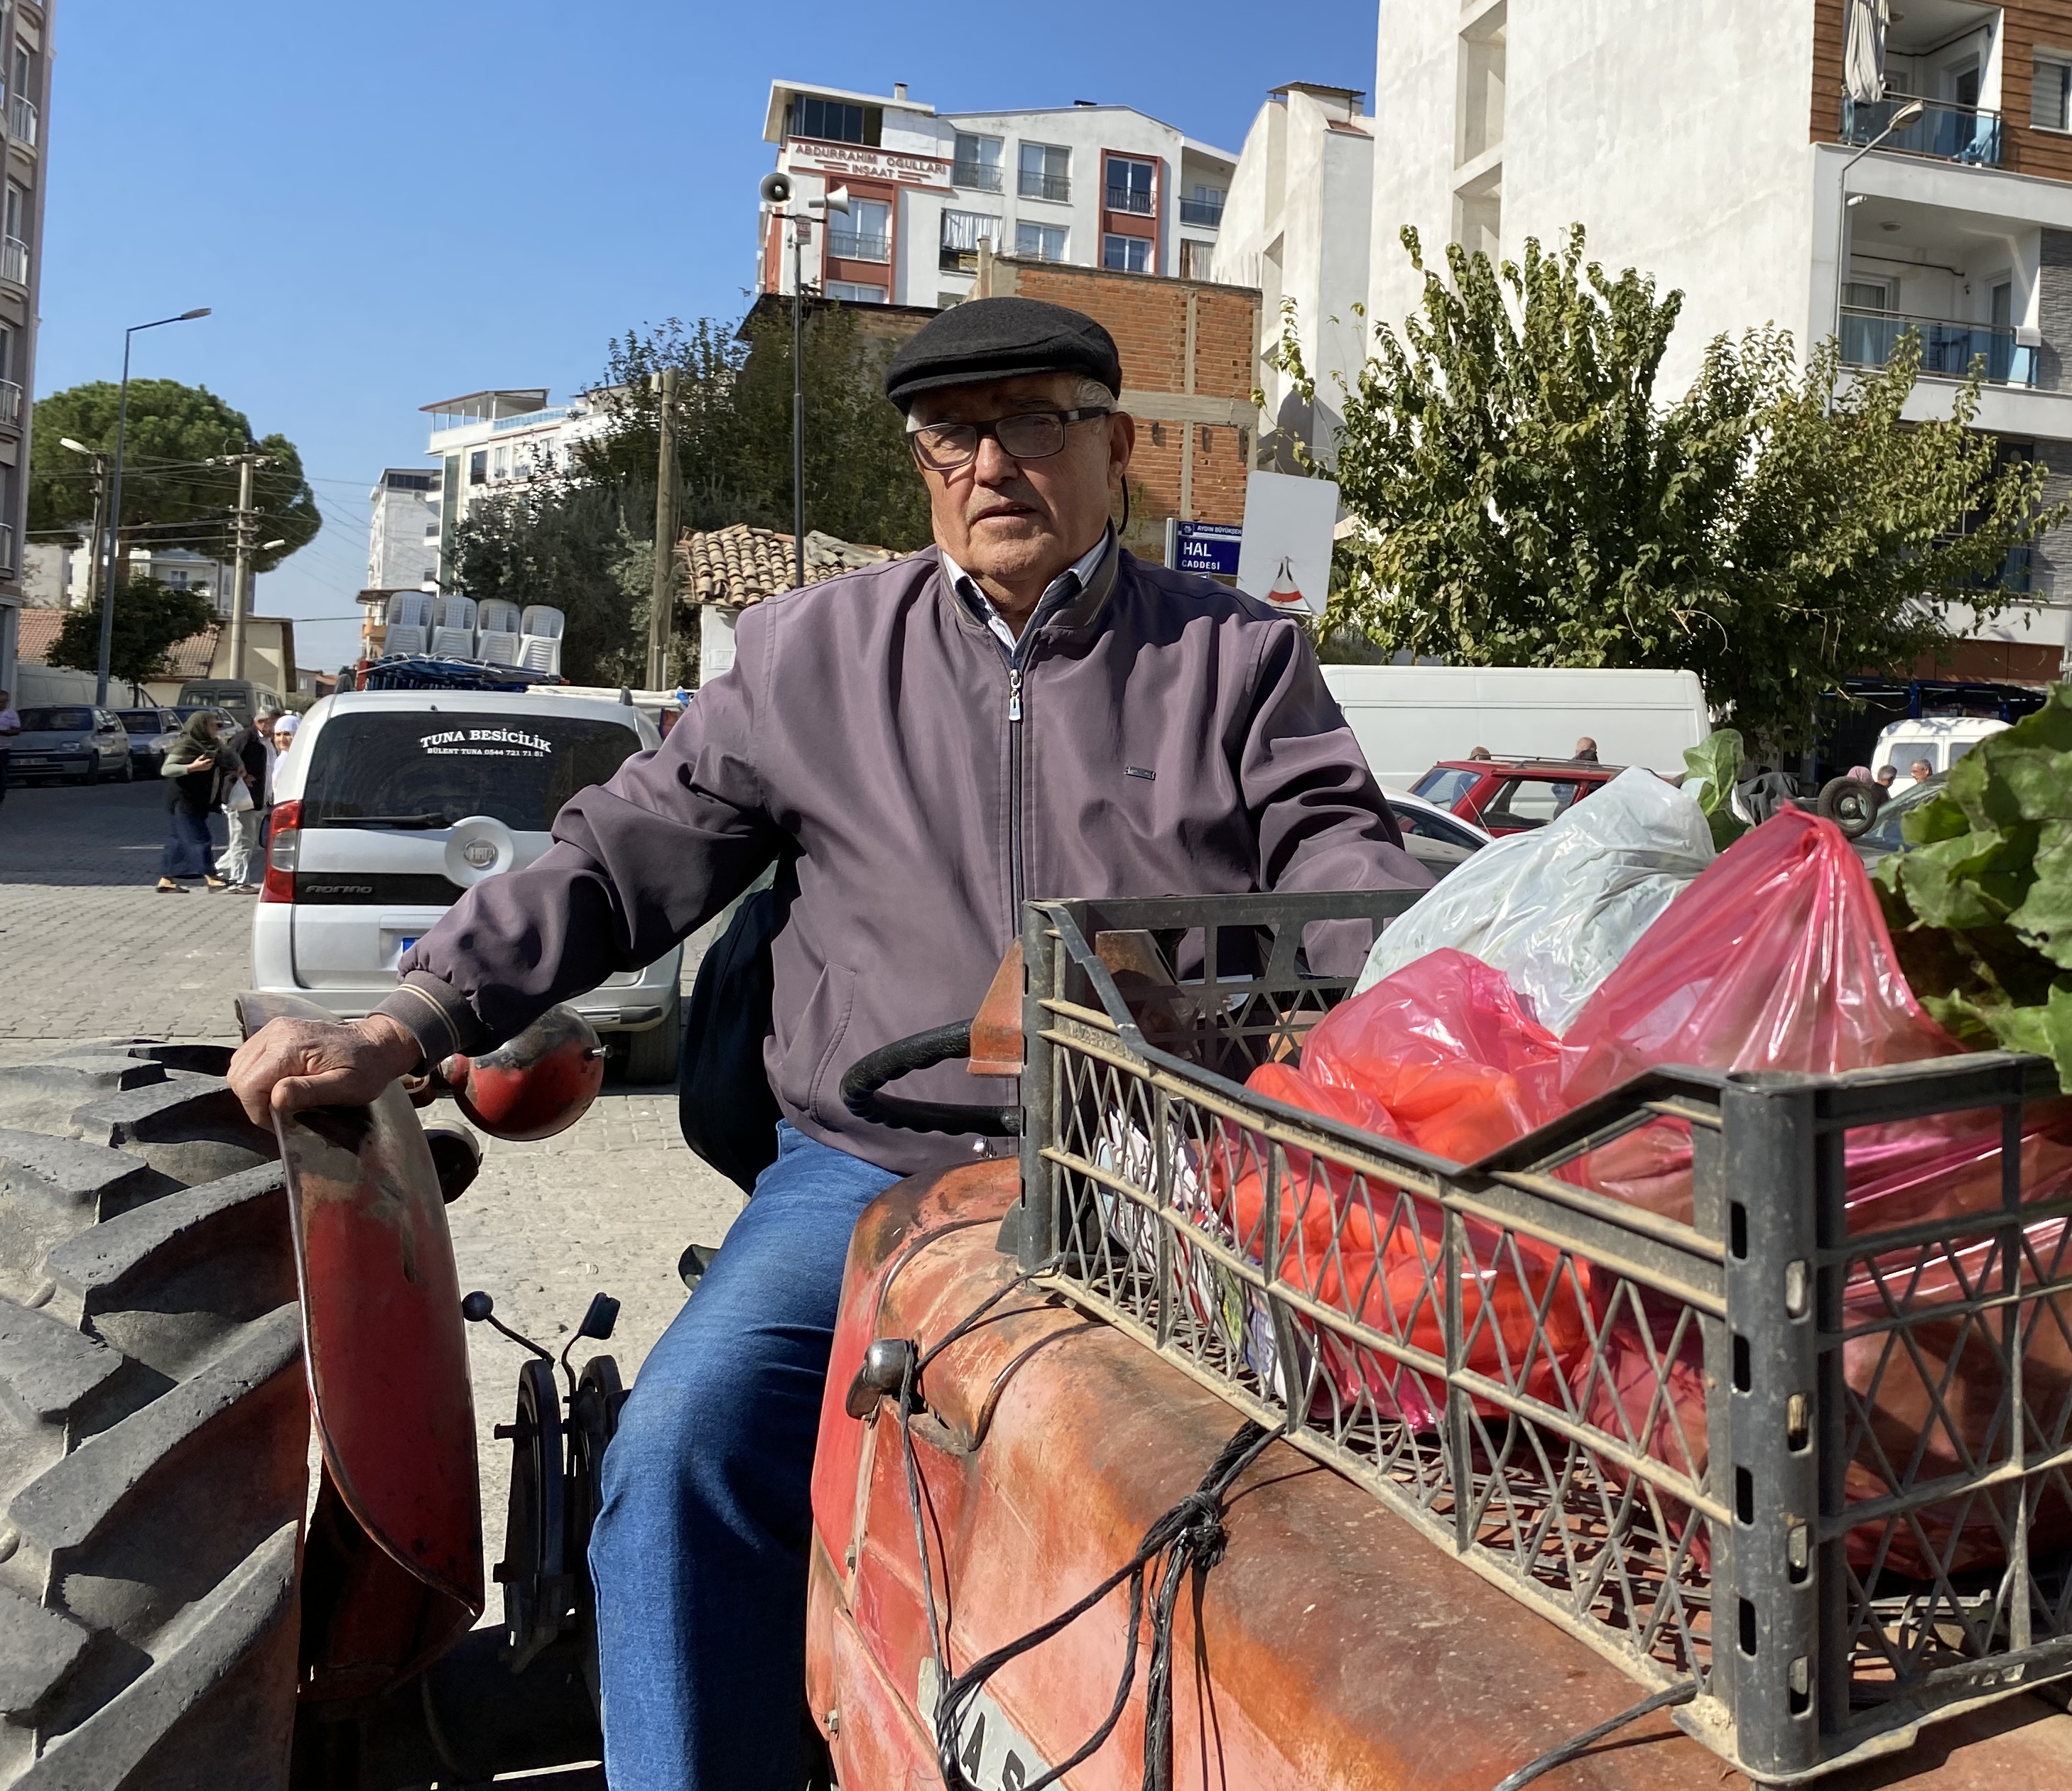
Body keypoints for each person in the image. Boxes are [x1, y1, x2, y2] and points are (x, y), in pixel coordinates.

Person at [224, 295, 1428, 1790]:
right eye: (951, 433)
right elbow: (619, 859)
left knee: (1334, 1507)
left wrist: (1438, 1046)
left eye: (1036, 421)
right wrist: (412, 1016)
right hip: (872, 1174)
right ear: (921, 466)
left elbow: (1351, 895)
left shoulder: (1238, 661)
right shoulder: (809, 655)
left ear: (1115, 448)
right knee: (680, 1462)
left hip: (1168, 1172)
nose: (992, 462)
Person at [157, 710, 234, 892]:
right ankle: (211, 876)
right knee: (199, 837)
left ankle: (166, 880)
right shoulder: (187, 745)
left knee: (178, 840)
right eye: (213, 724)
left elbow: (230, 757)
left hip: (199, 798)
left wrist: (240, 769)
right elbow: (167, 769)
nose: (217, 727)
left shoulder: (214, 744)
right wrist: (191, 767)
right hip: (183, 799)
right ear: (201, 727)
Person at [218, 713, 274, 890]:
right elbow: (225, 759)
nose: (275, 728)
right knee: (242, 841)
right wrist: (241, 775)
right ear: (261, 722)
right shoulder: (245, 738)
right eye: (273, 723)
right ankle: (239, 881)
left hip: (260, 799)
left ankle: (217, 871)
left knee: (250, 842)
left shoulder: (268, 742)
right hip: (242, 798)